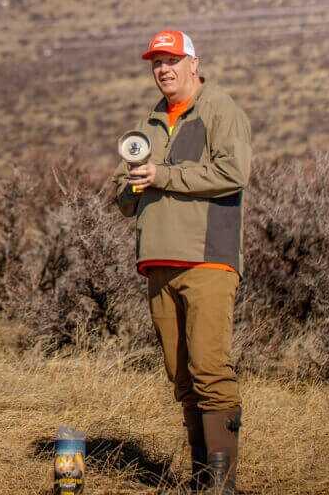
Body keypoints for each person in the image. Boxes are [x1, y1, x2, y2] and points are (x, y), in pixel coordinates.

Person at [112, 31, 251, 494]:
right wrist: (132, 184)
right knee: (182, 375)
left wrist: (163, 175)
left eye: (173, 60)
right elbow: (123, 198)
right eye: (157, 63)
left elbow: (234, 172)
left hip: (208, 259)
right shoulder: (149, 122)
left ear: (195, 63)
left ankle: (221, 485)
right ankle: (199, 479)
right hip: (158, 261)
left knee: (210, 368)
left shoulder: (220, 108)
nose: (164, 69)